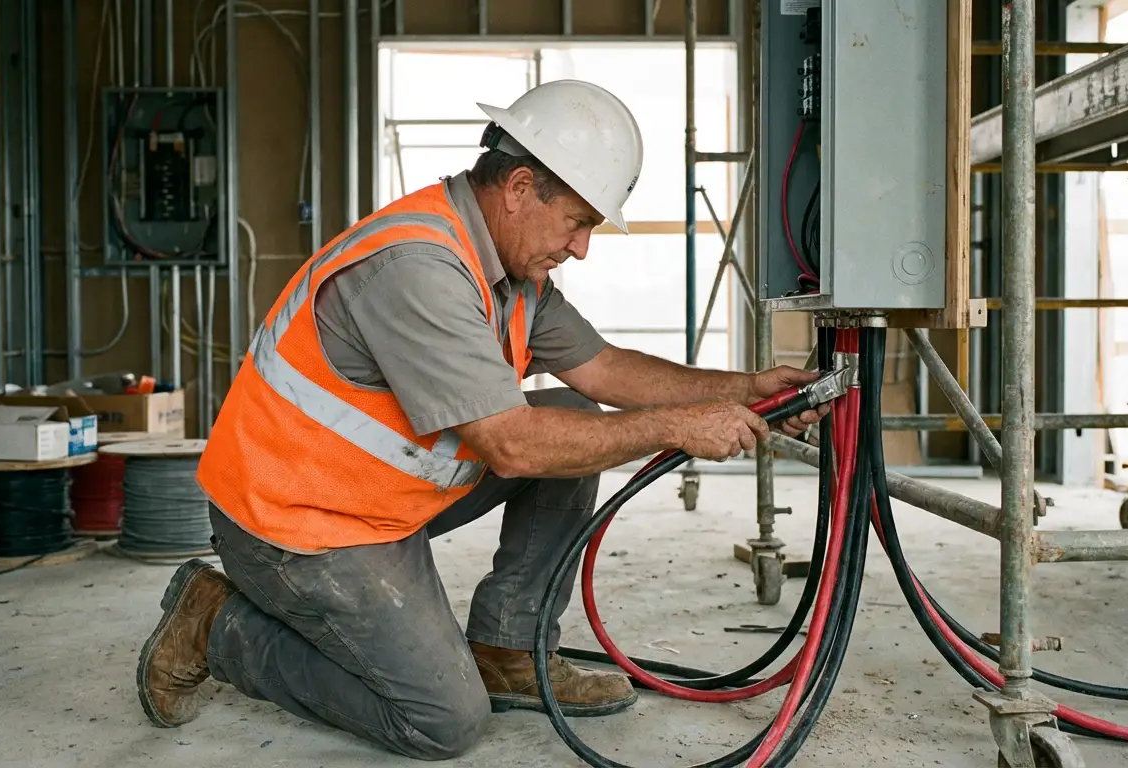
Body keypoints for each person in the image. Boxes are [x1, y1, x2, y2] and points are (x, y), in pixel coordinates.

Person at [134, 79, 827, 760]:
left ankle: (507, 649)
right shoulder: (418, 268)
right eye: (579, 221)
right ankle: (215, 625)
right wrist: (677, 428)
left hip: (374, 500)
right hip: (296, 523)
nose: (582, 247)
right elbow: (513, 446)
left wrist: (747, 390)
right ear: (520, 187)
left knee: (575, 416)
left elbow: (605, 369)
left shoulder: (510, 271)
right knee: (442, 721)